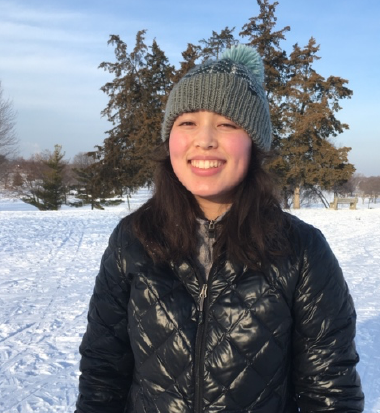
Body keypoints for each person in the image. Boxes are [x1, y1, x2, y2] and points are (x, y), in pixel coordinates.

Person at [75, 45, 364, 413]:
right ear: (170, 141)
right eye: (187, 122)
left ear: (255, 144)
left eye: (227, 123)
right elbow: (102, 372)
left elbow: (330, 389)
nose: (205, 139)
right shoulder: (132, 240)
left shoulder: (302, 250)